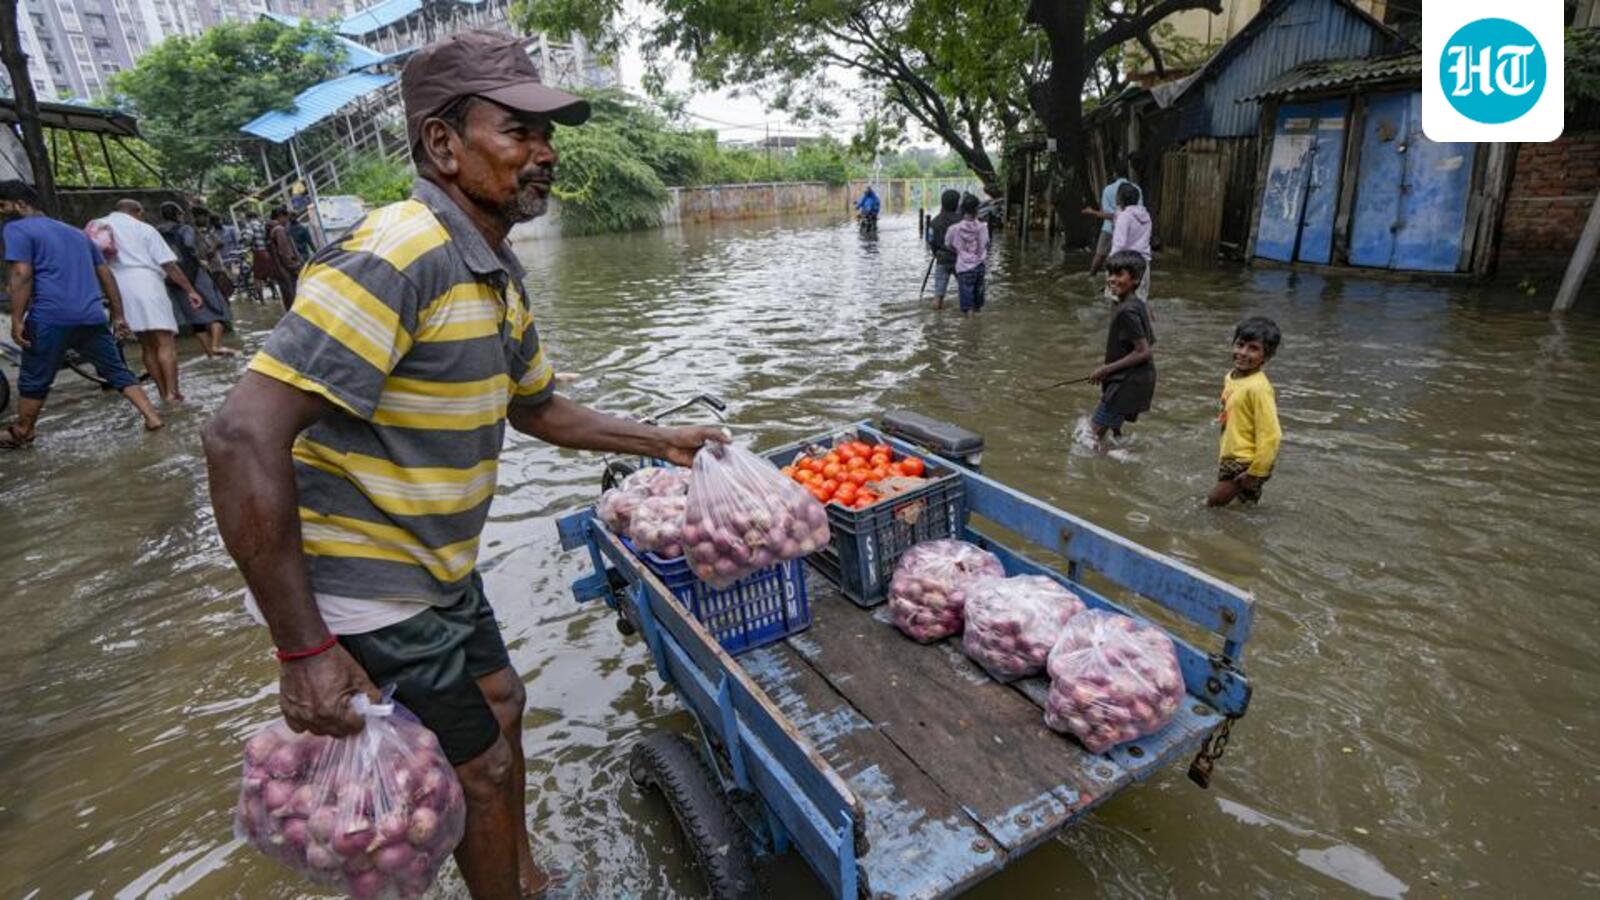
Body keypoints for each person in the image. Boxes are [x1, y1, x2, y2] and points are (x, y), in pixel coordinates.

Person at [200, 29, 728, 900]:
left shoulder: (491, 272)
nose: (545, 153)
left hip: (438, 569)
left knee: (504, 709)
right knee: (477, 768)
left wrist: (661, 441)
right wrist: (304, 648)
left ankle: (516, 873)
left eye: (546, 135)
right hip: (371, 588)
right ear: (443, 145)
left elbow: (537, 408)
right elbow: (240, 436)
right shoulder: (401, 252)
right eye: (517, 132)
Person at [0, 180, 162, 447]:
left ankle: (23, 430)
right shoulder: (76, 233)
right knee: (116, 371)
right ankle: (152, 416)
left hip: (49, 316)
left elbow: (21, 274)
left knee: (34, 375)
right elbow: (105, 274)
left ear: (20, 204)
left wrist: (17, 319)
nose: (3, 212)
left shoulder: (16, 228)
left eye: (3, 206)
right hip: (92, 316)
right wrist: (118, 315)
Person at [97, 198, 205, 402]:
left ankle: (163, 392)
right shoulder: (144, 228)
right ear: (137, 211)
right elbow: (168, 265)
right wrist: (190, 290)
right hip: (148, 284)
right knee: (165, 342)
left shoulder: (100, 226)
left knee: (146, 345)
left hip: (119, 288)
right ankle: (173, 393)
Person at [1208, 317, 1282, 507]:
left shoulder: (1259, 389)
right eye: (1240, 345)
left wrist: (1255, 472)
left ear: (1266, 356)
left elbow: (1271, 435)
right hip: (1231, 457)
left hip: (1245, 463)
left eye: (1253, 348)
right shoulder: (1231, 377)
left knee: (1212, 505)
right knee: (1243, 507)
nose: (1243, 353)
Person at [1087, 250, 1156, 448]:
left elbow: (1143, 351)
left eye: (1119, 275)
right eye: (1110, 274)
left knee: (1091, 438)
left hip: (1126, 383)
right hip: (1134, 380)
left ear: (1135, 279)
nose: (1111, 280)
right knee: (1112, 435)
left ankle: (1104, 471)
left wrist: (1106, 369)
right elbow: (1149, 342)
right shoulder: (1137, 304)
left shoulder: (1127, 311)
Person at [156, 202, 236, 357]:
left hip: (172, 277)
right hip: (195, 274)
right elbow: (191, 248)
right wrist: (202, 261)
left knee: (195, 317)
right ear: (179, 214)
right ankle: (216, 346)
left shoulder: (157, 232)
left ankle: (211, 355)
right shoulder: (185, 229)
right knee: (217, 309)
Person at [1082, 158, 1142, 276]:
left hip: (1109, 229)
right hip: (1130, 230)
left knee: (1100, 255)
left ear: (1114, 173)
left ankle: (1091, 277)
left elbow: (1109, 213)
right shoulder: (1136, 189)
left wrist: (1093, 212)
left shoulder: (1108, 190)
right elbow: (1139, 211)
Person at [945, 193, 989, 316]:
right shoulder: (983, 227)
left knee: (967, 305)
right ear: (977, 209)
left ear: (962, 209)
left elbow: (948, 244)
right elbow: (985, 244)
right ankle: (977, 328)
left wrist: (959, 251)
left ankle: (969, 330)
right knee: (978, 303)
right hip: (979, 266)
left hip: (964, 268)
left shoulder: (954, 229)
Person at [1107, 182, 1153, 301]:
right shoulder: (1146, 216)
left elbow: (1119, 244)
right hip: (1143, 263)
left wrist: (1110, 265)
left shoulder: (1125, 216)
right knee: (1141, 300)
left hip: (1125, 263)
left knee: (1116, 300)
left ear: (1121, 198)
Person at [924, 189, 961, 310]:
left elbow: (930, 241)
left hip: (941, 259)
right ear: (957, 204)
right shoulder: (961, 221)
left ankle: (936, 319)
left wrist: (936, 254)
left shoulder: (934, 222)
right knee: (965, 290)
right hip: (959, 260)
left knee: (938, 295)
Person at [265, 206, 302, 311]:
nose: (287, 221)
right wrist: (296, 267)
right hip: (286, 270)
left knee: (287, 297)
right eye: (286, 217)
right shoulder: (279, 230)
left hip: (279, 269)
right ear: (281, 216)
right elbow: (285, 252)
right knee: (293, 297)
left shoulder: (271, 229)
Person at [243, 209, 275, 304]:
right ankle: (275, 294)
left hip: (258, 253)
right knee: (270, 274)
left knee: (257, 278)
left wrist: (244, 242)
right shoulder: (262, 224)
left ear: (248, 218)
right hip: (267, 252)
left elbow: (248, 237)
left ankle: (262, 301)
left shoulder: (250, 225)